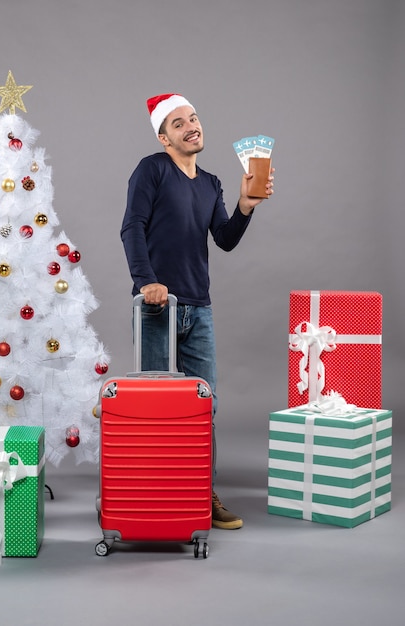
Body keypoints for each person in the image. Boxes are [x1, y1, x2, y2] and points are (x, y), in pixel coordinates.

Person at [120, 93, 274, 530]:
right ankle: (150, 492)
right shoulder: (151, 170)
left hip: (198, 310)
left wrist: (246, 207)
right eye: (178, 122)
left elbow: (224, 238)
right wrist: (146, 281)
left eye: (194, 118)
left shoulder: (210, 183)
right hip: (156, 307)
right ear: (163, 137)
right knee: (152, 407)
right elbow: (132, 227)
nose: (191, 126)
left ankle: (202, 493)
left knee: (204, 406)